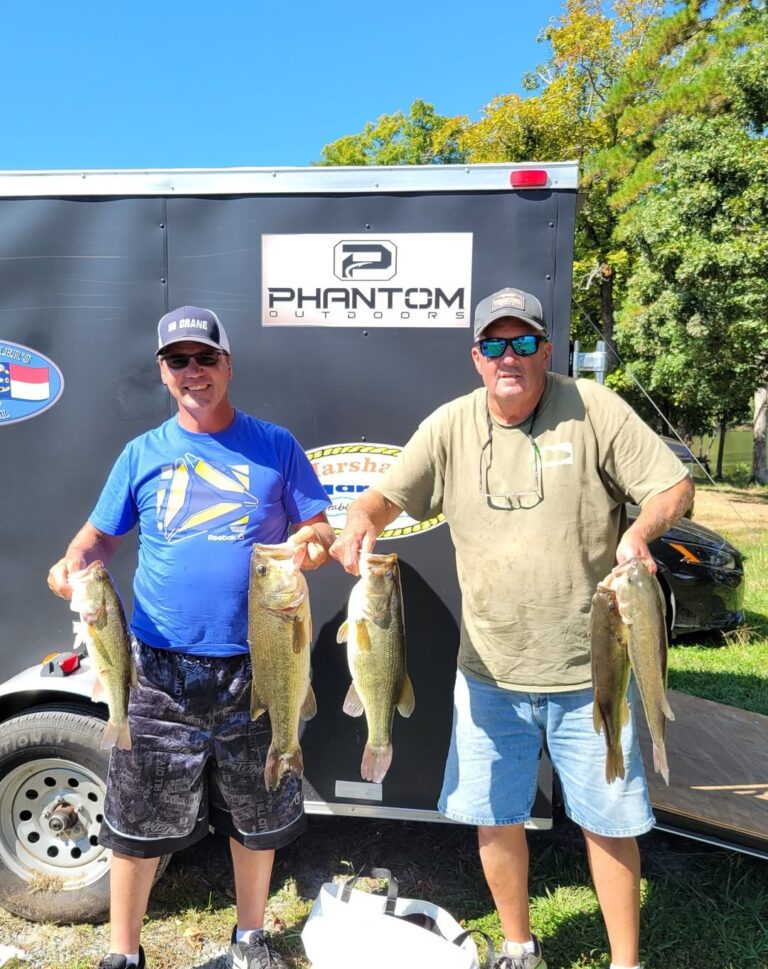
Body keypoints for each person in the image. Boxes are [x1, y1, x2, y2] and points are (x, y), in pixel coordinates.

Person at [330, 286, 694, 969]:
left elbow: (674, 486)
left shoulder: (594, 409)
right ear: (476, 357)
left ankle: (625, 962)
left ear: (546, 350)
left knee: (609, 822)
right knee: (496, 818)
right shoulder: (451, 426)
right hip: (489, 674)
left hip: (591, 669)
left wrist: (641, 531)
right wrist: (359, 523)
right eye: (494, 344)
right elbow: (384, 496)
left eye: (523, 342)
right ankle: (518, 946)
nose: (509, 356)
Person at [48, 306, 334, 969]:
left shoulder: (275, 445)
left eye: (206, 357)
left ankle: (250, 939)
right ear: (163, 372)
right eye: (178, 360)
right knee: (136, 819)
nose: (193, 371)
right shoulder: (141, 453)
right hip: (156, 671)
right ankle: (123, 953)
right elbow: (97, 540)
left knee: (255, 814)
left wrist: (314, 543)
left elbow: (317, 525)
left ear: (228, 365)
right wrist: (71, 564)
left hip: (256, 665)